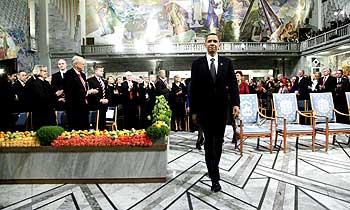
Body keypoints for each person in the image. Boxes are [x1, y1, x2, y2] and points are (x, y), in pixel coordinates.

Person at [190, 33, 240, 193]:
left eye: (215, 41)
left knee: (217, 144)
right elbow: (194, 89)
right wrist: (194, 111)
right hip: (204, 111)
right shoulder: (197, 64)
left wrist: (235, 104)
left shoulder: (227, 63)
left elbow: (233, 84)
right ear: (205, 44)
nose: (212, 43)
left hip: (221, 110)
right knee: (209, 144)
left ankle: (213, 169)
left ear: (220, 45)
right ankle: (215, 177)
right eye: (209, 41)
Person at [64, 56, 98, 130]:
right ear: (76, 64)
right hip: (74, 107)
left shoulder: (82, 74)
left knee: (85, 128)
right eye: (82, 64)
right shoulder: (69, 74)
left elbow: (83, 87)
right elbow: (70, 91)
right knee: (76, 129)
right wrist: (87, 92)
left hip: (84, 105)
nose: (84, 65)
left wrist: (88, 91)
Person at [87, 65, 111, 130]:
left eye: (102, 71)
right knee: (95, 122)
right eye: (101, 71)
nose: (102, 72)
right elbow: (91, 93)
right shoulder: (90, 80)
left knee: (102, 121)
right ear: (95, 71)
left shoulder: (104, 81)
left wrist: (107, 99)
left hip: (104, 105)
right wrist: (99, 100)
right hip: (95, 105)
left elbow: (108, 92)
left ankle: (103, 134)